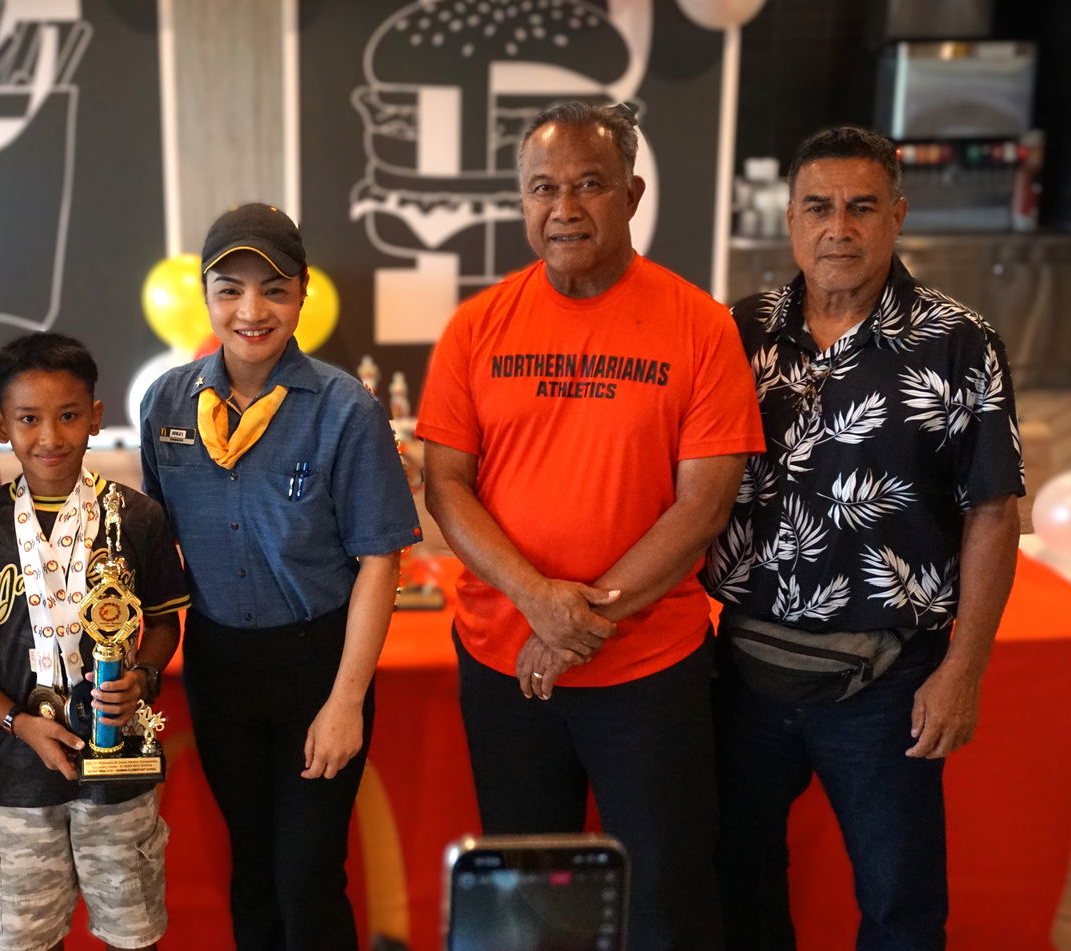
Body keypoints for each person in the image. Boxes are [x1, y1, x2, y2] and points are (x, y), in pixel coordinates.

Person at [415, 101, 765, 951]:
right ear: (521, 201)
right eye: (543, 188)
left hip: (648, 671)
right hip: (505, 664)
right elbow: (447, 485)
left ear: (633, 193)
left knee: (665, 896)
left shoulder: (700, 325)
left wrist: (578, 620)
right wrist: (538, 600)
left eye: (589, 184)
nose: (564, 207)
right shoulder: (475, 326)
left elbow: (703, 506)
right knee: (527, 901)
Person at [701, 126, 1024, 951]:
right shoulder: (741, 331)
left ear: (897, 216)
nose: (837, 227)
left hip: (887, 681)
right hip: (743, 671)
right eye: (818, 207)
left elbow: (993, 513)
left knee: (900, 906)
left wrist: (964, 669)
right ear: (790, 219)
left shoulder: (958, 342)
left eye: (861, 207)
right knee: (737, 886)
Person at [139, 203, 420, 951]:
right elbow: (154, 549)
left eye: (273, 289)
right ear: (205, 295)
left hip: (317, 666)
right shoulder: (167, 403)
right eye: (229, 289)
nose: (251, 310)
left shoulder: (345, 409)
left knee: (307, 875)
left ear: (302, 295)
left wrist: (346, 701)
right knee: (254, 872)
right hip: (221, 666)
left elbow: (379, 560)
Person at [0, 333, 187, 951]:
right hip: (19, 780)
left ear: (95, 417)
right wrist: (17, 721)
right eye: (29, 419)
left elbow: (166, 624)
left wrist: (143, 678)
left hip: (119, 775)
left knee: (133, 934)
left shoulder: (139, 518)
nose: (50, 437)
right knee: (28, 940)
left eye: (69, 415)